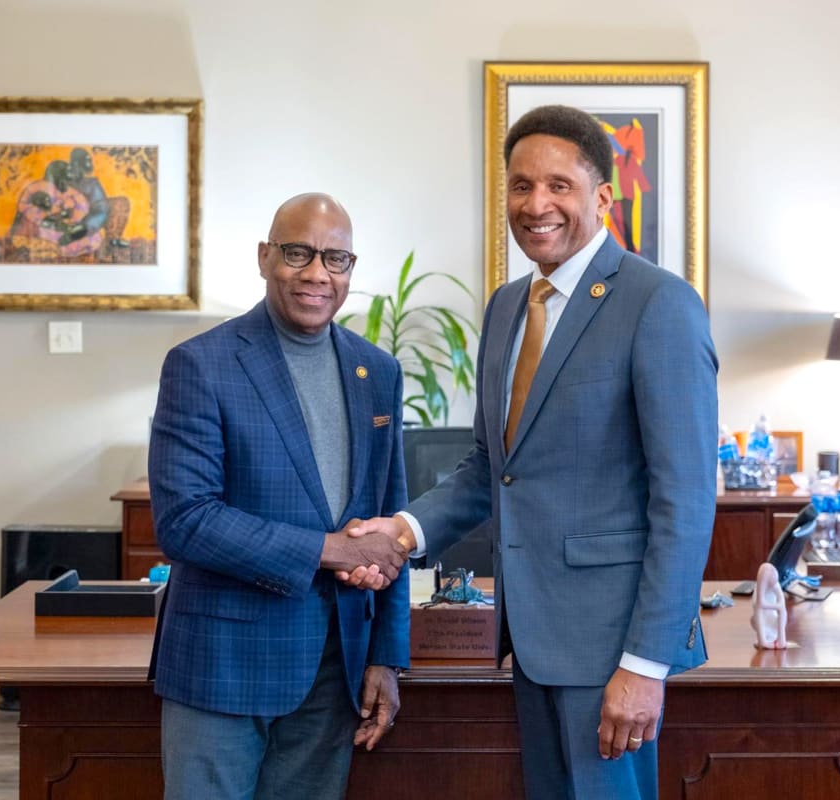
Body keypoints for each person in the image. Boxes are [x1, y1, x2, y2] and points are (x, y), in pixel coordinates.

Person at [346, 105, 717, 799]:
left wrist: (645, 664)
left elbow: (686, 501)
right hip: (532, 638)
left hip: (611, 649)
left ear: (602, 197)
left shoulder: (658, 303)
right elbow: (493, 469)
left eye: (558, 185)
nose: (535, 204)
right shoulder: (509, 306)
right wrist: (401, 531)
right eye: (521, 186)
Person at [147, 192, 411, 799]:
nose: (318, 273)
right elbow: (185, 520)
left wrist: (385, 657)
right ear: (265, 256)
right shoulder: (201, 364)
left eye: (336, 259)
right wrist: (329, 549)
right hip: (223, 664)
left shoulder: (378, 372)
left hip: (335, 670)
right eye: (298, 253)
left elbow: (389, 528)